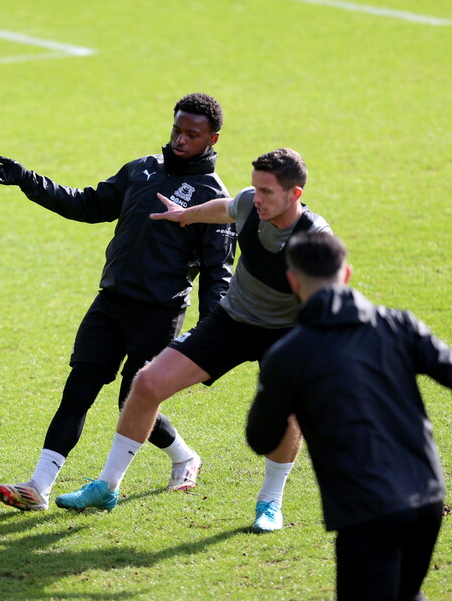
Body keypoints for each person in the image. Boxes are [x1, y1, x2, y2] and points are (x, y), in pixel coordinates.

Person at [245, 232, 452, 601]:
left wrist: (281, 397)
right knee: (405, 598)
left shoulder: (288, 354)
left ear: (292, 280)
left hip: (366, 510)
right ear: (346, 274)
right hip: (426, 496)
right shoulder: (398, 325)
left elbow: (260, 438)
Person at [0, 93, 235, 511]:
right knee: (78, 389)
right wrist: (28, 180)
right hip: (111, 302)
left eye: (192, 134)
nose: (180, 140)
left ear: (213, 138)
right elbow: (86, 204)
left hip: (159, 312)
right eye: (176, 130)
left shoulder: (215, 199)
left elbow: (217, 272)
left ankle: (183, 457)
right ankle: (38, 487)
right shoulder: (142, 169)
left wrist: (212, 331)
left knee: (132, 401)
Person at [55, 148, 329, 532]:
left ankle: (270, 502)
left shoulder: (315, 238)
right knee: (146, 383)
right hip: (233, 321)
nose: (257, 198)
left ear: (295, 194)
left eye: (267, 192)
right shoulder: (250, 203)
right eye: (255, 188)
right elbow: (226, 208)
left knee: (287, 411)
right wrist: (186, 214)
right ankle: (107, 486)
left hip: (287, 331)